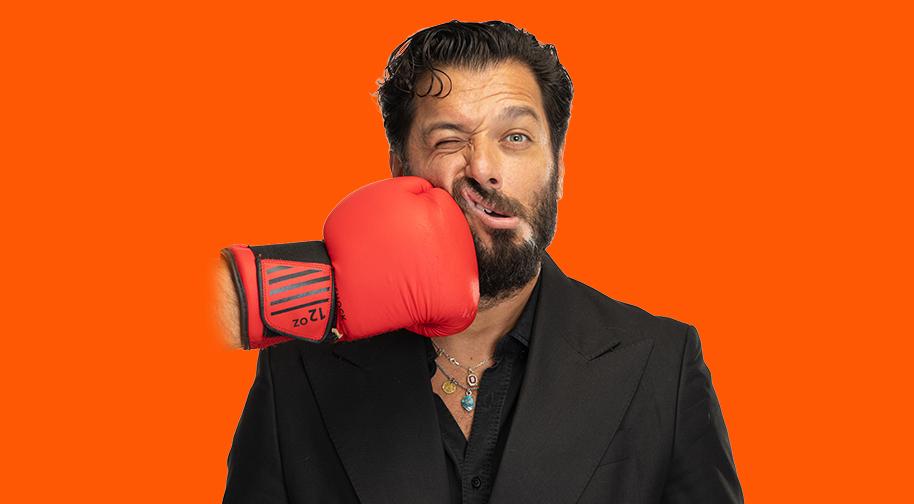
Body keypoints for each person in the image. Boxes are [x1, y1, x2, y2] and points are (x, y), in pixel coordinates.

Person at [220, 20, 743, 504]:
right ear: (399, 170)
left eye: (515, 138)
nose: (485, 168)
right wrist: (291, 290)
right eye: (450, 140)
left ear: (558, 168)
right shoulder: (297, 366)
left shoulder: (663, 363)